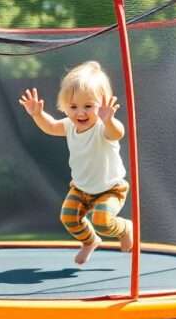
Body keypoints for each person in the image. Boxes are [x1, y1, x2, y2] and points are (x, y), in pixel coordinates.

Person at [18, 61, 132, 265]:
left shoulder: (102, 127)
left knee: (102, 221)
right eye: (73, 107)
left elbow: (117, 133)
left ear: (102, 105)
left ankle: (126, 229)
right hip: (80, 188)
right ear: (65, 106)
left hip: (110, 189)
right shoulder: (70, 125)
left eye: (88, 106)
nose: (80, 113)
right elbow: (51, 126)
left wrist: (108, 120)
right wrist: (37, 114)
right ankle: (90, 241)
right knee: (69, 218)